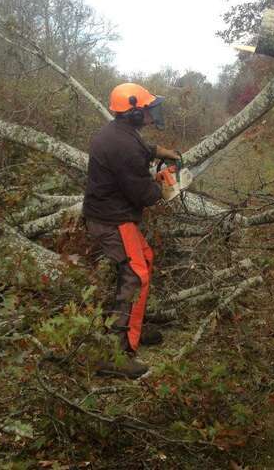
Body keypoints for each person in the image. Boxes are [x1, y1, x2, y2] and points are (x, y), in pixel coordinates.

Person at [82, 82, 180, 379]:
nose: (151, 115)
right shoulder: (123, 146)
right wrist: (164, 182)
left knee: (144, 260)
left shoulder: (119, 133)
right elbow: (146, 196)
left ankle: (132, 327)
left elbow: (137, 150)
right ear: (133, 112)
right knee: (136, 274)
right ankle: (117, 353)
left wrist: (158, 151)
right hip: (113, 220)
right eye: (146, 110)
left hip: (111, 215)